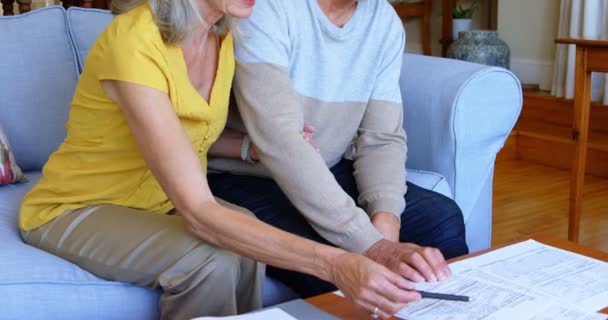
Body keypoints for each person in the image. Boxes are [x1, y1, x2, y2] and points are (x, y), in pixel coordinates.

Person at [19, 0, 423, 319]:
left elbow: (185, 131)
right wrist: (339, 265)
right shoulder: (134, 42)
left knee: (245, 239)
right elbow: (199, 211)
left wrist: (249, 147)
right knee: (211, 259)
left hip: (159, 202)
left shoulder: (221, 37)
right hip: (76, 208)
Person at [208, 0, 470, 306]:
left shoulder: (382, 20)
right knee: (339, 261)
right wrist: (371, 246)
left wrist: (386, 221)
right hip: (245, 176)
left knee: (439, 220)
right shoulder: (266, 8)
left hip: (325, 165)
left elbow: (381, 137)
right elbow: (283, 143)